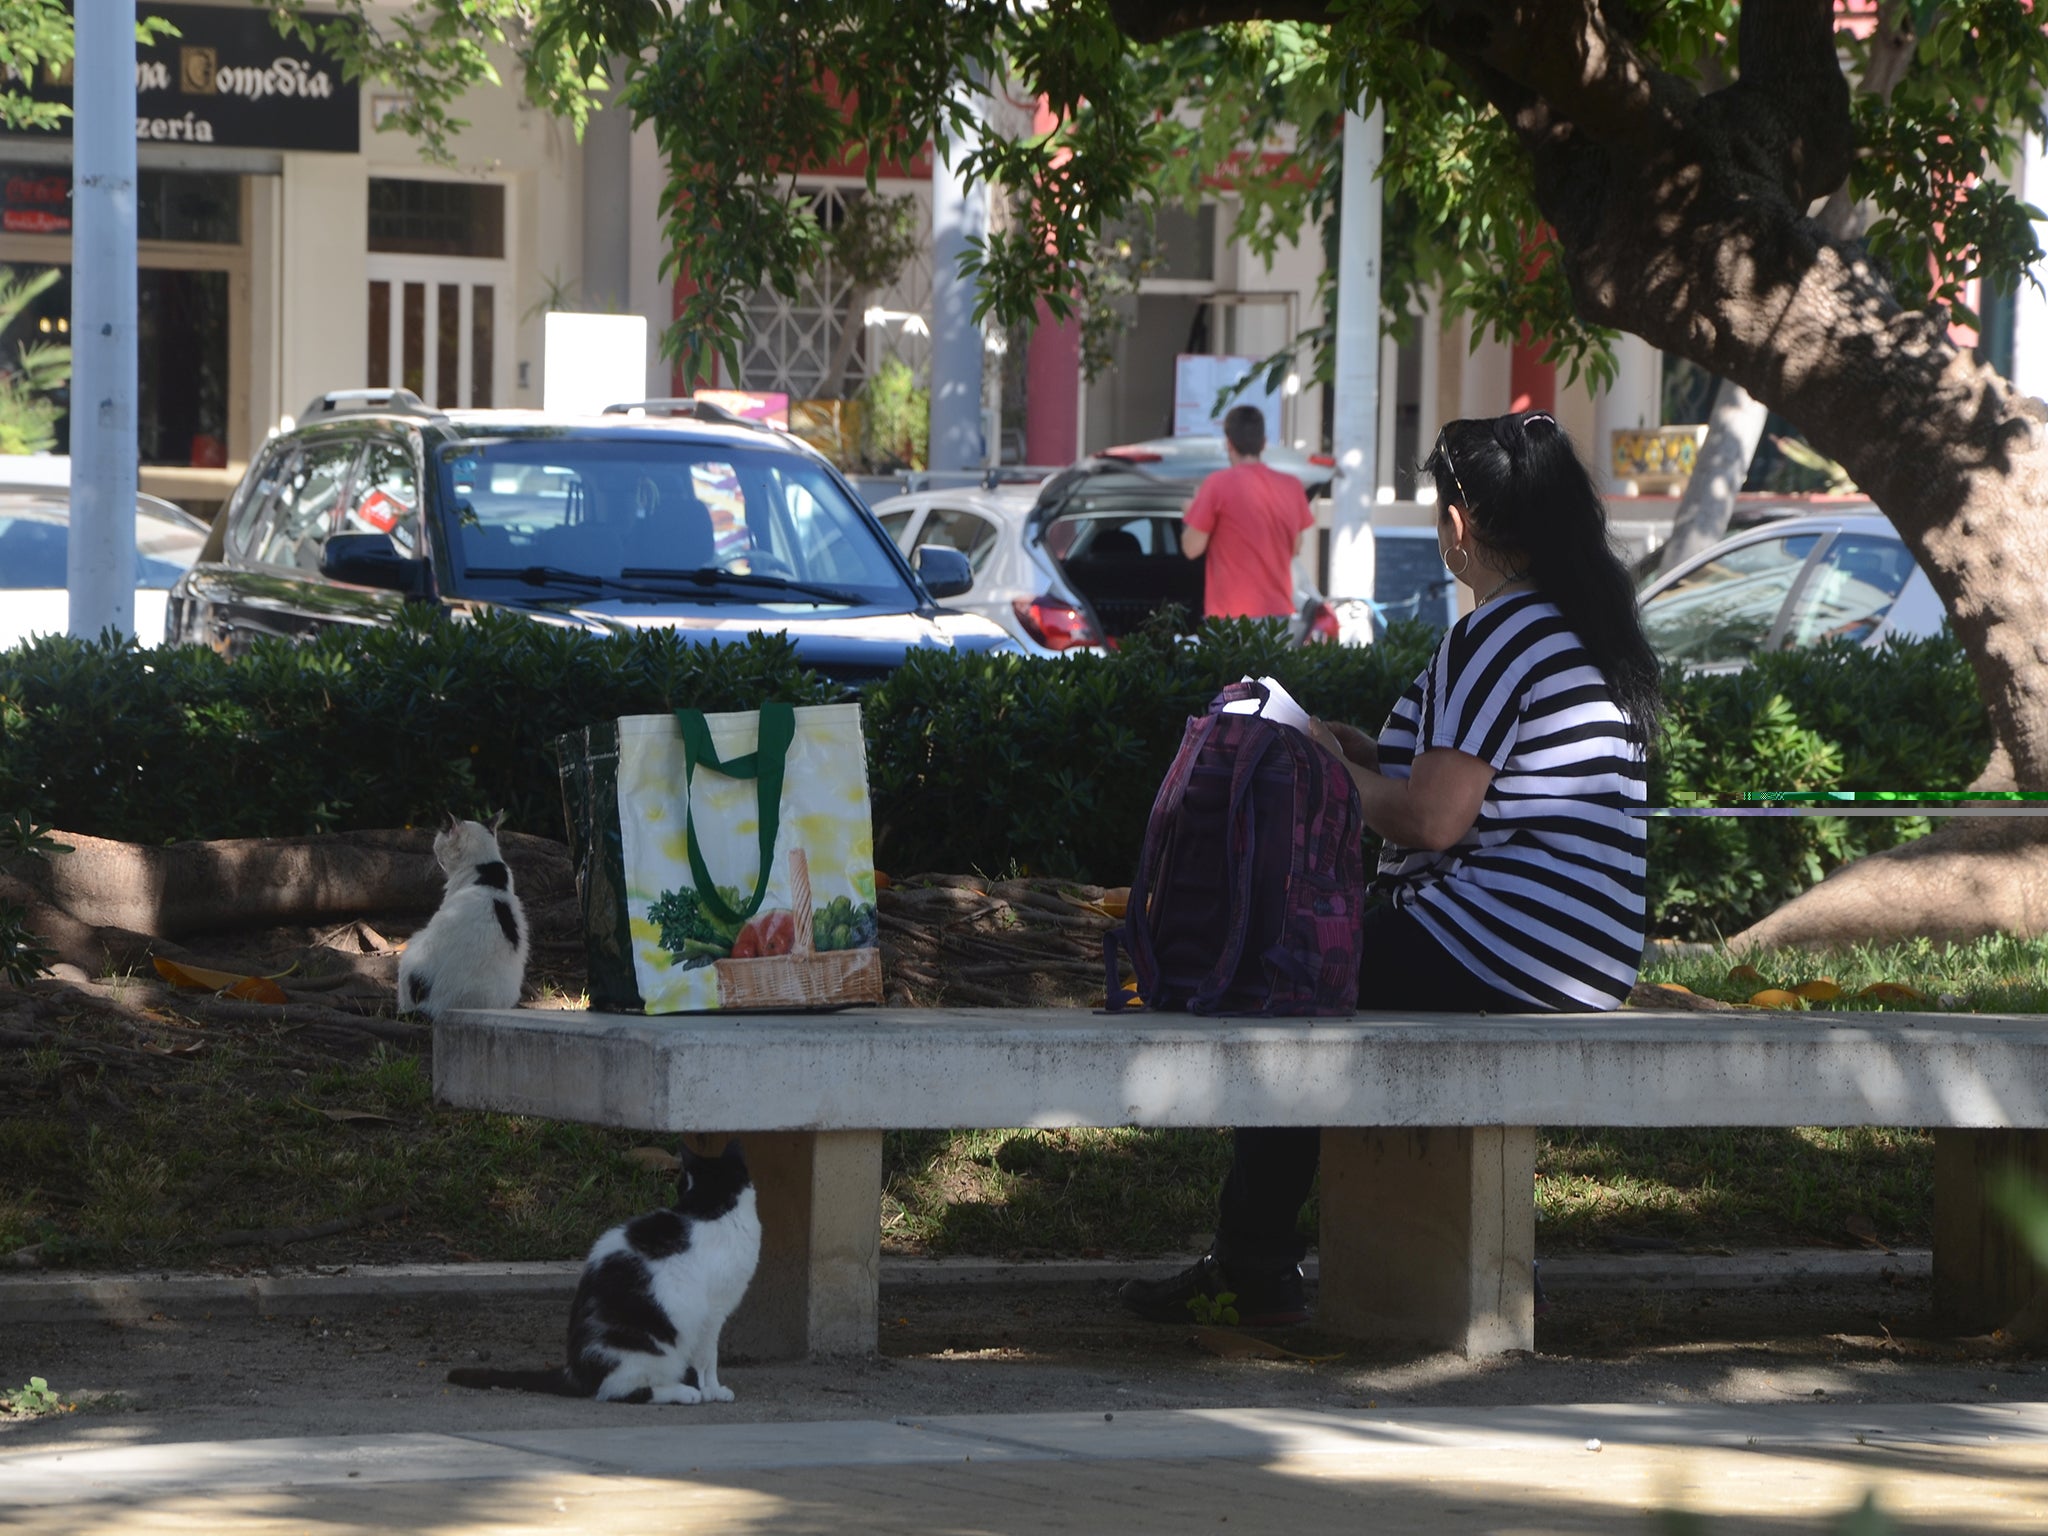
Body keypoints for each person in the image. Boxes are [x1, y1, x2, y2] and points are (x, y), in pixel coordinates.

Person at [1121, 409, 1664, 1327]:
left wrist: (1320, 766)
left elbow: (1434, 820)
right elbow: (1466, 788)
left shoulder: (1497, 633)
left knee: (1283, 983)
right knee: (1308, 981)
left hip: (1503, 943)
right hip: (1581, 952)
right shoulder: (1581, 627)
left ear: (1457, 524)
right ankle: (1250, 1253)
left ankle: (1251, 1259)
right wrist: (1363, 754)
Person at [1181, 405, 1314, 623]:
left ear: (1229, 443)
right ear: (1263, 443)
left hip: (1229, 618)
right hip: (1278, 619)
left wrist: (1190, 513)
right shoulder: (1291, 487)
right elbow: (1296, 547)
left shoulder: (1216, 485)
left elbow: (1191, 549)